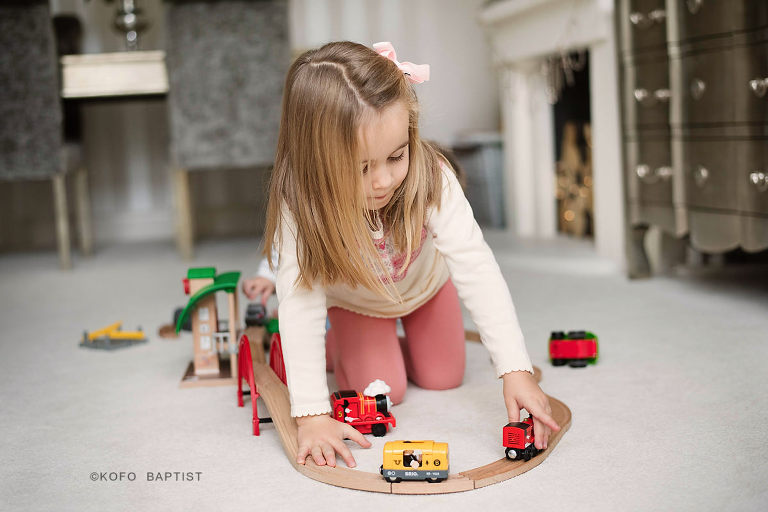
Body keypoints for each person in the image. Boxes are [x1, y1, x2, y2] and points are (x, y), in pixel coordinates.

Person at [262, 41, 560, 469]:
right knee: (388, 391)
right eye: (361, 167)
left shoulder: (431, 176)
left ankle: (377, 343)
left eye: (396, 156)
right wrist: (311, 413)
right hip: (360, 304)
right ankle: (338, 345)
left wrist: (516, 369)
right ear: (316, 162)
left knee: (444, 378)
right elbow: (301, 299)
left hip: (425, 289)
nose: (382, 180)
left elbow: (475, 264)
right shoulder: (300, 202)